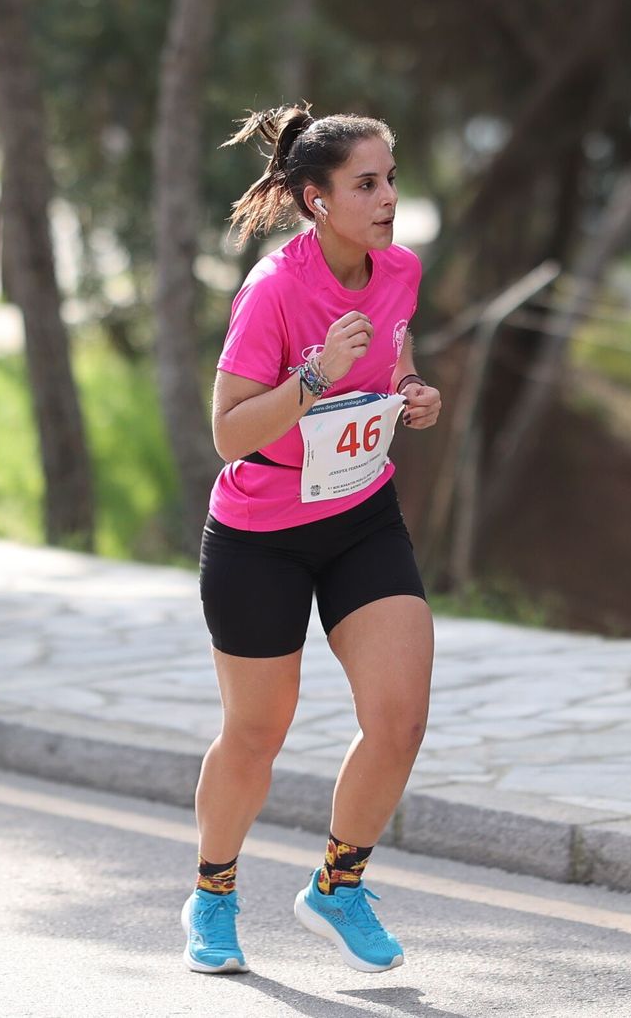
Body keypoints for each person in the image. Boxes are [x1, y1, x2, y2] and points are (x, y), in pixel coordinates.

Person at [183, 106, 443, 976]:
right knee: (257, 732)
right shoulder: (273, 290)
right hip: (260, 533)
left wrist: (410, 390)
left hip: (360, 516)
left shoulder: (399, 271)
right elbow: (226, 432)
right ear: (315, 199)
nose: (388, 198)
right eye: (366, 184)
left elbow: (392, 357)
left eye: (391, 179)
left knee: (400, 716)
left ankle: (339, 884)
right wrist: (316, 374)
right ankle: (213, 894)